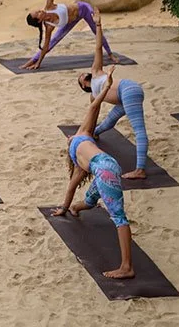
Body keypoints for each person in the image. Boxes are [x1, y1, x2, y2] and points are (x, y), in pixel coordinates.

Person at [53, 66, 134, 279]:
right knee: (89, 200)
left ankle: (126, 267)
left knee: (119, 217)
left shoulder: (82, 140)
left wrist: (106, 87)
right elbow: (71, 188)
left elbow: (95, 106)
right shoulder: (82, 145)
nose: (68, 137)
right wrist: (66, 207)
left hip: (105, 168)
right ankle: (77, 209)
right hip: (107, 167)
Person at [77, 11, 149, 179]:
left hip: (128, 90)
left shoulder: (96, 72)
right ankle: (96, 132)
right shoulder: (94, 96)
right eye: (79, 78)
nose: (81, 74)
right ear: (83, 85)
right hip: (122, 99)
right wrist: (89, 132)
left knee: (139, 130)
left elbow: (97, 47)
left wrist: (98, 25)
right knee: (109, 120)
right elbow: (92, 113)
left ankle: (140, 169)